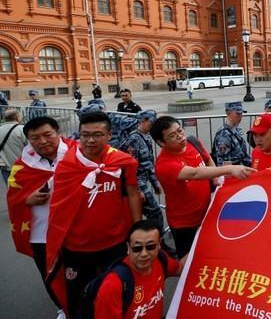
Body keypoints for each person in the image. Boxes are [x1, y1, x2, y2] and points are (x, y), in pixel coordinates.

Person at [46, 111, 143, 317]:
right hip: (77, 247)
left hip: (115, 243)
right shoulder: (67, 166)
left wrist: (137, 230)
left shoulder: (123, 162)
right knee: (79, 299)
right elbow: (58, 209)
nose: (90, 140)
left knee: (117, 292)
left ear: (109, 135)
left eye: (97, 134)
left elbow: (133, 194)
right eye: (85, 134)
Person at [151, 116, 253, 258]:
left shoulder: (192, 142)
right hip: (185, 224)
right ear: (161, 142)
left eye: (180, 131)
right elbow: (194, 173)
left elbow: (208, 159)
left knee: (210, 256)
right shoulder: (164, 165)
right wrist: (229, 169)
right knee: (189, 264)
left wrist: (216, 180)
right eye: (172, 136)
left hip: (207, 215)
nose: (180, 137)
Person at [7, 116, 72, 310]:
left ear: (57, 132)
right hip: (41, 235)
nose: (42, 141)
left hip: (76, 231)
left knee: (80, 274)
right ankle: (62, 308)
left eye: (47, 135)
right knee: (50, 275)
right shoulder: (21, 166)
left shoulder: (78, 153)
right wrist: (27, 199)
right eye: (35, 138)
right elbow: (12, 198)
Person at [93, 219, 184, 319]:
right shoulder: (112, 285)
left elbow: (180, 268)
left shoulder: (161, 260)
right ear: (128, 248)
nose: (144, 254)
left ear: (159, 245)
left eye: (150, 247)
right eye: (137, 248)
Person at [119, 110, 163, 229]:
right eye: (152, 123)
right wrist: (137, 190)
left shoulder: (146, 137)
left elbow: (148, 164)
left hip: (142, 181)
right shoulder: (134, 140)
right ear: (143, 121)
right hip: (136, 183)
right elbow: (130, 168)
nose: (154, 126)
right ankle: (158, 240)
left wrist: (155, 183)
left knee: (150, 214)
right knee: (155, 213)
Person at [211, 102, 251, 167]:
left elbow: (244, 155)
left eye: (241, 113)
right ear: (228, 113)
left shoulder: (236, 130)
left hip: (242, 169)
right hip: (234, 173)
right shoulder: (223, 136)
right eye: (238, 113)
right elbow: (224, 165)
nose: (240, 116)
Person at [0, 108, 26, 184]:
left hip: (5, 166)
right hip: (21, 166)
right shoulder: (22, 129)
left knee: (11, 190)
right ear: (17, 117)